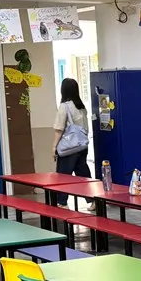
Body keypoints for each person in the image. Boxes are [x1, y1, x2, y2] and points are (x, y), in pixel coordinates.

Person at [51, 77, 91, 205]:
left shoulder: (65, 106)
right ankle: (93, 199)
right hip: (82, 146)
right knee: (83, 174)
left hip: (69, 148)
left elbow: (59, 129)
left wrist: (54, 147)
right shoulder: (81, 106)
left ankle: (62, 202)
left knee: (63, 175)